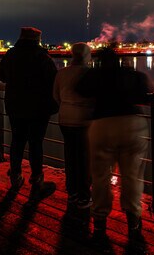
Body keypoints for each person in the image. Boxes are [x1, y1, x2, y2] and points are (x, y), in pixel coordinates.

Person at [76, 47, 153, 239]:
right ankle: (134, 221)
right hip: (132, 124)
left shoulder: (95, 75)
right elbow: (145, 94)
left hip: (102, 125)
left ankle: (100, 221)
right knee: (133, 175)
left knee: (100, 176)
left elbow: (80, 90)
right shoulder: (130, 74)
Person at [0, 27, 58, 199]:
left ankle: (16, 176)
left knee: (17, 140)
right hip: (38, 108)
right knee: (35, 143)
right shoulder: (42, 57)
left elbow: (2, 76)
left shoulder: (10, 54)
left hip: (15, 106)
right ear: (37, 39)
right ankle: (37, 179)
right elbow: (52, 80)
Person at [53, 42, 95, 209]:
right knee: (86, 158)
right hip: (85, 121)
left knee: (70, 157)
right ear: (87, 56)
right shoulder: (90, 74)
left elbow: (56, 96)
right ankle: (84, 196)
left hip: (65, 119)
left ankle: (72, 193)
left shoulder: (61, 73)